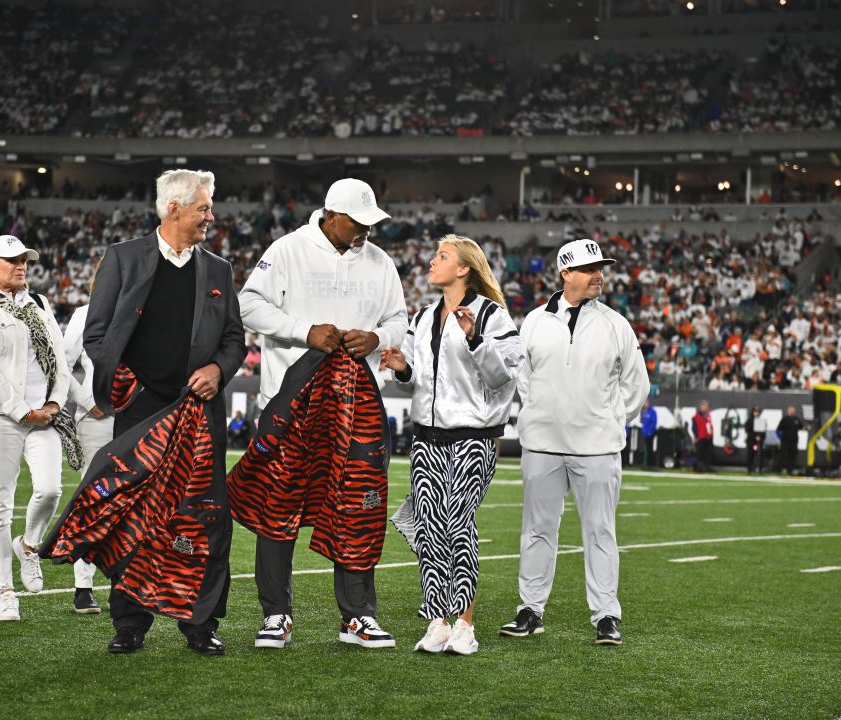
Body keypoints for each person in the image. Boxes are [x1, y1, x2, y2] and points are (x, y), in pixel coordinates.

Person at [239, 177, 407, 649]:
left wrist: (378, 338)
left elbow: (399, 319)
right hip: (291, 405)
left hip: (356, 410)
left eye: (370, 222)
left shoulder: (380, 261)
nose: (365, 231)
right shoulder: (288, 250)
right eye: (358, 222)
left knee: (357, 510)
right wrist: (303, 330)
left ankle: (357, 616)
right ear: (331, 215)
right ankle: (276, 614)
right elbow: (248, 304)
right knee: (279, 509)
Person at [83, 169, 245, 656]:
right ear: (174, 209)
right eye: (203, 208)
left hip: (200, 415)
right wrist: (132, 390)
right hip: (141, 414)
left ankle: (201, 623)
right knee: (135, 514)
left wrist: (218, 369)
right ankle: (129, 622)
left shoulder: (218, 269)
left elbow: (234, 338)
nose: (210, 217)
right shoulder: (122, 258)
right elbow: (97, 335)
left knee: (206, 517)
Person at [380, 235, 524, 655]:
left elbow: (503, 378)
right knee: (428, 529)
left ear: (464, 268)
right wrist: (402, 368)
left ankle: (465, 624)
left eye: (442, 257)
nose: (431, 261)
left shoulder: (494, 316)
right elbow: (415, 382)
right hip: (426, 436)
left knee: (457, 524)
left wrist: (476, 339)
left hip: (474, 438)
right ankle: (437, 622)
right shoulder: (423, 317)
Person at [503, 238, 649, 647]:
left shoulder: (616, 324)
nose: (598, 275)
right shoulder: (532, 321)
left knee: (601, 532)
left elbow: (637, 385)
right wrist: (540, 414)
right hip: (542, 445)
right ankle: (530, 610)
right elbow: (522, 378)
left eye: (600, 267)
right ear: (565, 273)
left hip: (599, 447)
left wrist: (608, 419)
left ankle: (606, 615)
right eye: (588, 268)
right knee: (536, 530)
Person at [0, 235, 74, 622]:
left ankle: (29, 546)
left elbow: (60, 359)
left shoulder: (39, 303)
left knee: (50, 489)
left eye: (25, 261)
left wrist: (54, 403)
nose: (21, 266)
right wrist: (22, 410)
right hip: (2, 418)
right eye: (12, 260)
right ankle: (4, 592)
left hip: (44, 416)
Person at [61, 260, 112, 615]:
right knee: (93, 498)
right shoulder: (85, 313)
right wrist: (88, 402)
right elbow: (61, 365)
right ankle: (83, 585)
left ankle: (131, 582)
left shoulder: (143, 311)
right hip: (98, 419)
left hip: (136, 419)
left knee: (138, 499)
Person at [777, 405, 805, 475]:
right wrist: (781, 438)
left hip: (794, 441)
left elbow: (802, 427)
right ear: (787, 411)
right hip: (785, 441)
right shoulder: (784, 419)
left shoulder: (797, 419)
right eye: (790, 410)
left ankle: (790, 470)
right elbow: (778, 430)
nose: (791, 412)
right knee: (783, 456)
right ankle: (781, 470)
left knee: (792, 456)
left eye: (793, 410)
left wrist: (806, 428)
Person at [692, 401, 715, 472]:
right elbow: (694, 428)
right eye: (703, 406)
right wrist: (696, 436)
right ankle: (699, 467)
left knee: (708, 454)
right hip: (700, 438)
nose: (704, 408)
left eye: (706, 407)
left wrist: (711, 435)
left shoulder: (708, 416)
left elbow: (709, 426)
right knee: (700, 454)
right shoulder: (696, 417)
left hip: (708, 438)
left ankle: (707, 467)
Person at [745, 406, 767, 474]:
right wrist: (755, 437)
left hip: (759, 442)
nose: (756, 413)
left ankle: (760, 470)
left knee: (760, 456)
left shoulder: (761, 421)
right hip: (751, 442)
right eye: (755, 412)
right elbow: (748, 431)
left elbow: (763, 432)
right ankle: (749, 469)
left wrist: (761, 438)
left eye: (758, 412)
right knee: (750, 455)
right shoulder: (749, 421)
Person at [639, 398, 658, 468]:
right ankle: (645, 464)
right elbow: (642, 421)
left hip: (650, 434)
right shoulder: (645, 412)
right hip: (644, 434)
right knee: (645, 449)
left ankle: (650, 464)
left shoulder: (652, 412)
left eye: (646, 402)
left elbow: (654, 423)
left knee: (649, 450)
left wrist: (650, 432)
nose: (645, 404)